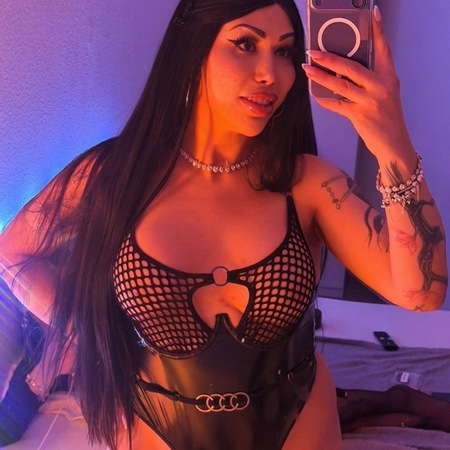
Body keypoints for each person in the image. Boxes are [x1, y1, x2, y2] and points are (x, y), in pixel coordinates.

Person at [0, 0, 447, 449]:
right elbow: (13, 251)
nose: (270, 73)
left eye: (285, 51)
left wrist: (391, 140)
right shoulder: (115, 175)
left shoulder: (309, 184)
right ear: (192, 47)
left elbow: (422, 294)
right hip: (154, 426)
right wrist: (90, 336)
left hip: (298, 424)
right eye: (246, 44)